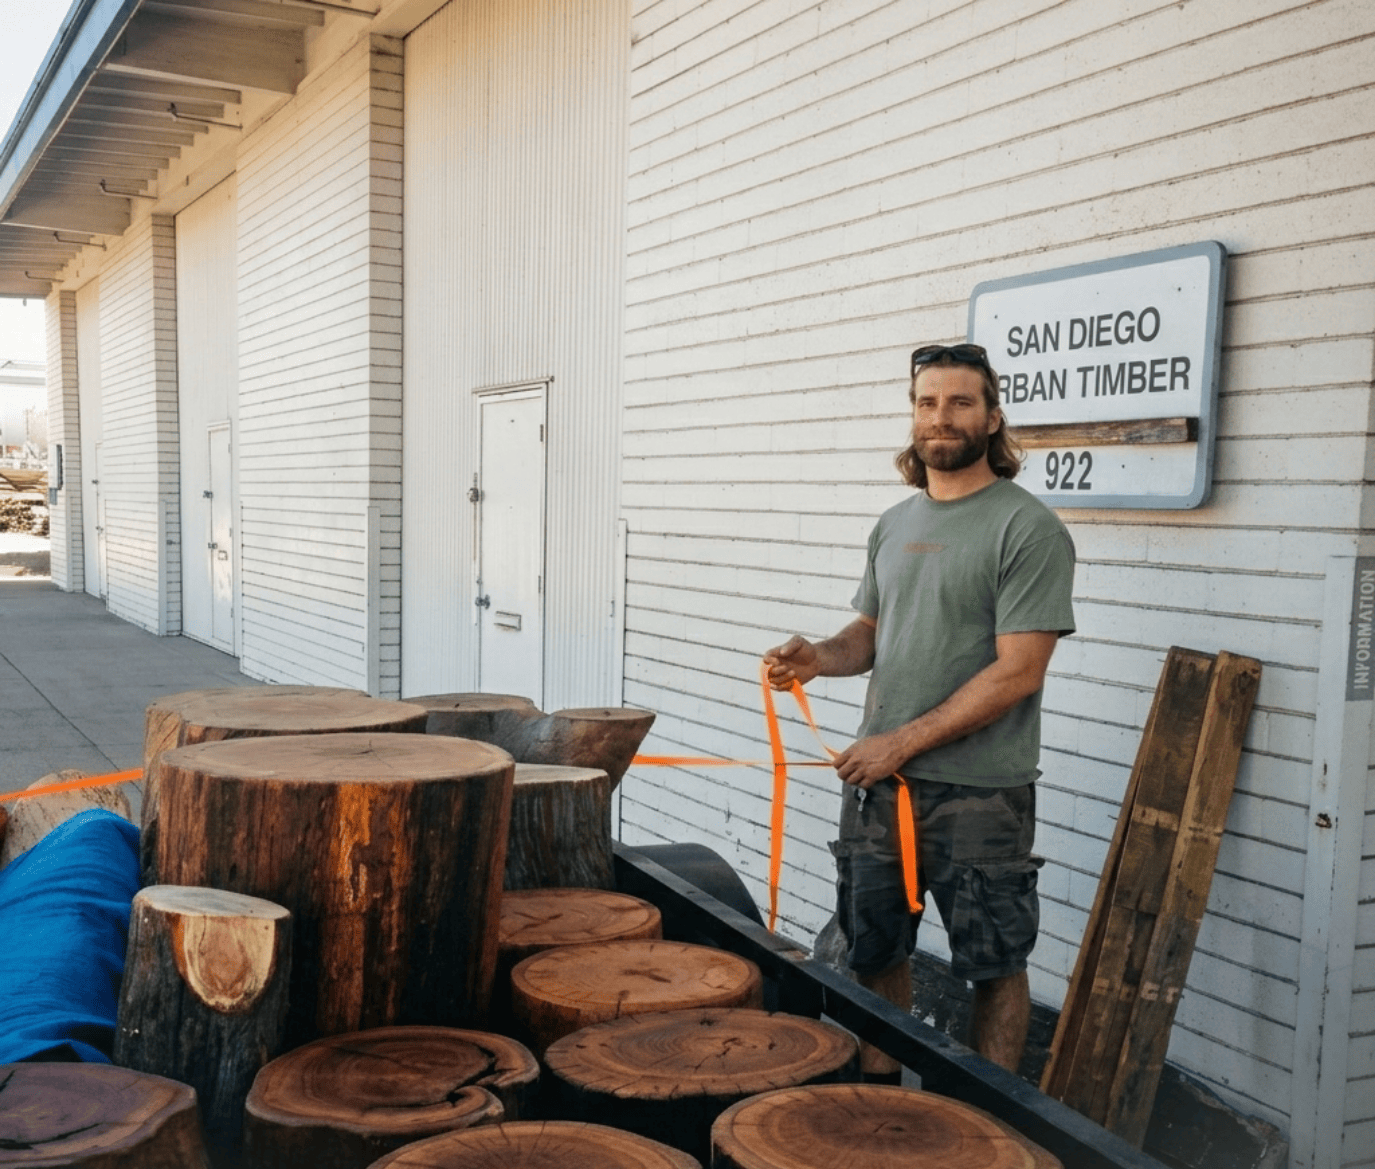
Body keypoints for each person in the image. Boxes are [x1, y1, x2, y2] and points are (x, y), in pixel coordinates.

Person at [764, 342, 1075, 1076]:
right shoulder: (895, 522)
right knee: (876, 952)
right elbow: (869, 635)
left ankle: (989, 1116)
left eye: (960, 401)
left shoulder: (1027, 527)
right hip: (879, 786)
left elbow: (1019, 670)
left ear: (992, 418)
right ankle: (884, 1103)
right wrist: (817, 657)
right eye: (927, 402)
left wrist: (900, 742)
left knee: (993, 966)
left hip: (980, 793)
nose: (941, 416)